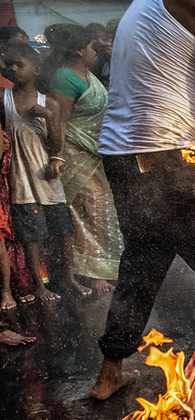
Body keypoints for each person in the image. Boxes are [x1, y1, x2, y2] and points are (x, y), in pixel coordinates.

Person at [90, 0, 195, 400]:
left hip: (121, 155)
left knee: (143, 259)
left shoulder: (141, 4)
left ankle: (109, 372)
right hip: (168, 156)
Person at [4, 41, 90, 303]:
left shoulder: (49, 103)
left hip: (47, 178)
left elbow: (57, 143)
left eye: (20, 64)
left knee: (63, 231)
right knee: (32, 235)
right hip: (20, 180)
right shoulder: (3, 99)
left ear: (37, 70)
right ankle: (39, 285)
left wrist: (49, 118)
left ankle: (69, 278)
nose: (13, 69)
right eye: (9, 64)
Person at [46, 24, 123, 293]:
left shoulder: (88, 73)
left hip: (95, 153)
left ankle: (102, 267)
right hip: (74, 155)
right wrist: (57, 155)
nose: (96, 51)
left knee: (99, 211)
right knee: (85, 211)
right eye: (92, 46)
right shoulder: (64, 78)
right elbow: (60, 120)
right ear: (79, 49)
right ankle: (89, 273)